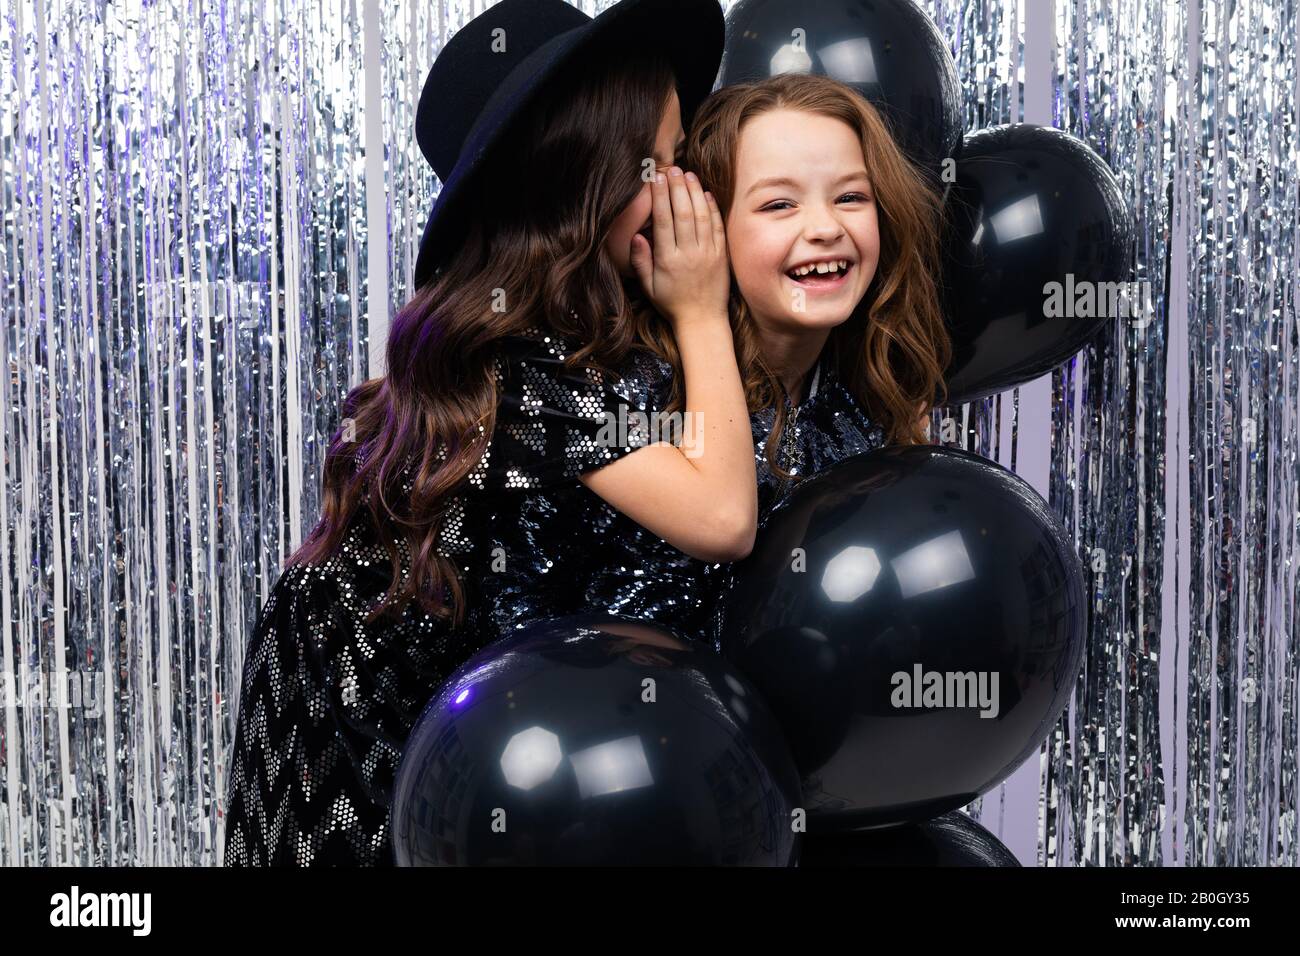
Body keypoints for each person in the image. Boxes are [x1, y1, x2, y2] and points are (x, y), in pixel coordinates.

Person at [222, 0, 754, 866]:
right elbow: (723, 517)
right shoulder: (521, 366)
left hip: (355, 685)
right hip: (359, 708)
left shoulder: (507, 343)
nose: (679, 191)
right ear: (582, 182)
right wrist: (701, 310)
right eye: (654, 162)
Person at [678, 72, 953, 645]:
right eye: (779, 204)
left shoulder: (874, 392)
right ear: (706, 227)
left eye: (851, 197)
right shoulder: (648, 392)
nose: (826, 228)